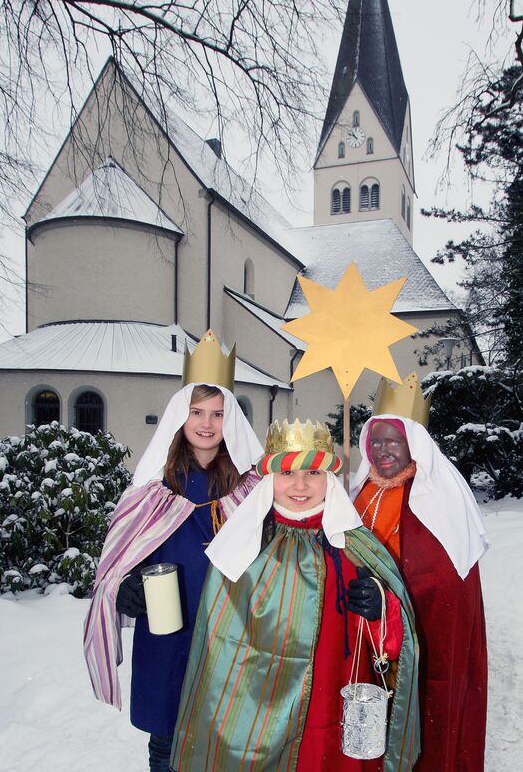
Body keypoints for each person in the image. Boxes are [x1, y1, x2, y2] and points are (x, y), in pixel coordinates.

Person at [171, 419, 420, 772]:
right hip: (257, 709)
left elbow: (395, 641)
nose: (300, 485)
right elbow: (218, 644)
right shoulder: (242, 545)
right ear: (271, 478)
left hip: (331, 699)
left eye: (314, 472)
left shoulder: (354, 545)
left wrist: (383, 609)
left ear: (329, 479)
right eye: (288, 473)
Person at [83, 331, 262, 772]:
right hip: (167, 627)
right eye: (196, 412)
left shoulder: (250, 485)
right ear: (179, 417)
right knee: (166, 741)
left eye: (218, 414)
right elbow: (126, 552)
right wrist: (126, 587)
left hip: (229, 626)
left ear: (231, 420)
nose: (206, 423)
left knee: (226, 735)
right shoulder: (153, 483)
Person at [352, 376, 489, 772]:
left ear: (414, 443)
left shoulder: (438, 496)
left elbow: (443, 583)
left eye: (393, 440)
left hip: (419, 643)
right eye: (375, 441)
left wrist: (389, 599)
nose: (382, 450)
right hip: (365, 636)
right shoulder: (361, 490)